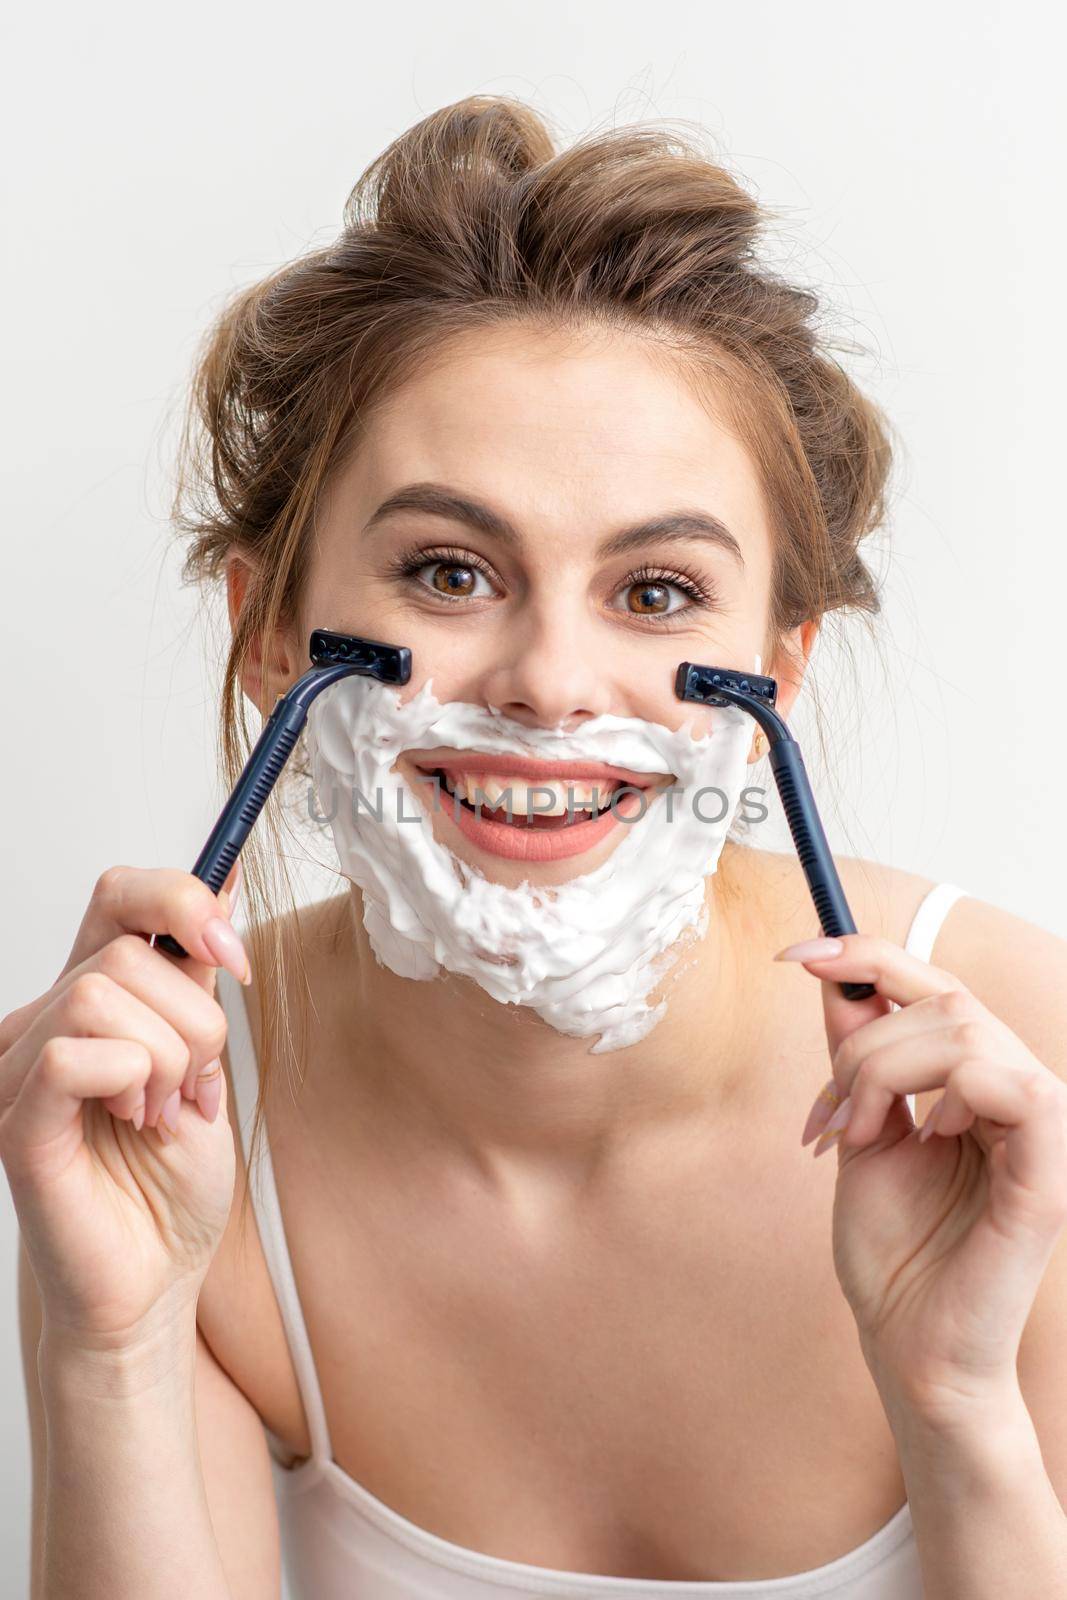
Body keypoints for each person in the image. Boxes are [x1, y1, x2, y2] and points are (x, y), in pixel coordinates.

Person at [8, 95, 1067, 1600]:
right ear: (265, 630)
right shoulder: (171, 1113)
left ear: (784, 661)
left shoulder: (1030, 1081)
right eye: (450, 571)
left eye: (654, 593)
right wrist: (105, 1347)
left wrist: (964, 1415)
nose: (550, 683)